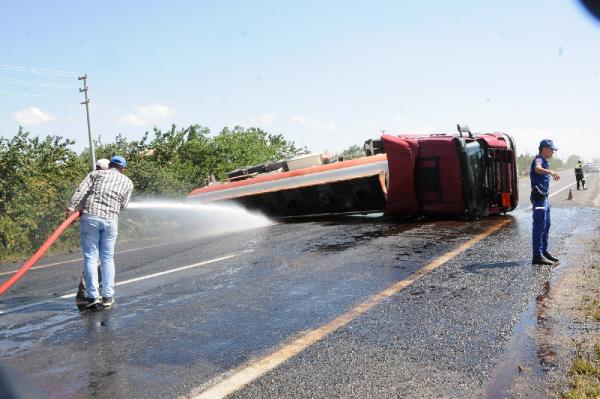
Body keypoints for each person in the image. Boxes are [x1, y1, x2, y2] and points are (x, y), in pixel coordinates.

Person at [66, 155, 133, 308]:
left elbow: (80, 191)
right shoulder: (128, 182)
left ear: (110, 164)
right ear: (123, 169)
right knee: (107, 258)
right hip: (111, 221)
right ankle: (108, 297)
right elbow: (124, 205)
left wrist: (71, 208)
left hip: (90, 217)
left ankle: (92, 297)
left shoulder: (96, 174)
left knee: (90, 257)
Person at [74, 158, 113, 304]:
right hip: (102, 222)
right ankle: (90, 292)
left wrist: (73, 208)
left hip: (92, 221)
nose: (97, 169)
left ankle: (90, 292)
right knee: (99, 258)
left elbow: (81, 193)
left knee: (96, 258)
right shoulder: (101, 180)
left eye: (99, 167)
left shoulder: (96, 179)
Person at [530, 139, 560, 265]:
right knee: (539, 226)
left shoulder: (544, 162)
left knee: (546, 225)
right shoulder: (538, 159)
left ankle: (544, 251)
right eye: (552, 149)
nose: (553, 152)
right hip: (539, 199)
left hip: (545, 199)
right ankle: (537, 256)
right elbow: (537, 169)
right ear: (544, 148)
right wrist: (551, 171)